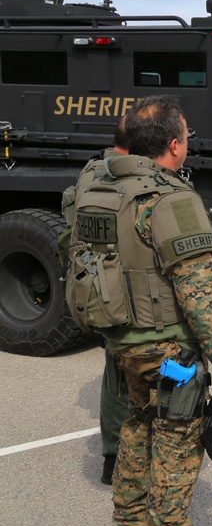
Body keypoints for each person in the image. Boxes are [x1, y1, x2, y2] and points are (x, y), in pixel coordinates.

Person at [72, 96, 212, 526]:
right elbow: (199, 291)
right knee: (177, 445)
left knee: (138, 423)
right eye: (186, 135)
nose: (189, 143)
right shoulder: (170, 198)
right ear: (173, 145)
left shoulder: (98, 188)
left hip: (122, 341)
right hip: (171, 352)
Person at [60, 115, 133, 485]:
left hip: (97, 288)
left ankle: (114, 457)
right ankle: (120, 458)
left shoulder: (91, 171)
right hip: (120, 291)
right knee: (123, 378)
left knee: (115, 375)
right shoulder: (119, 176)